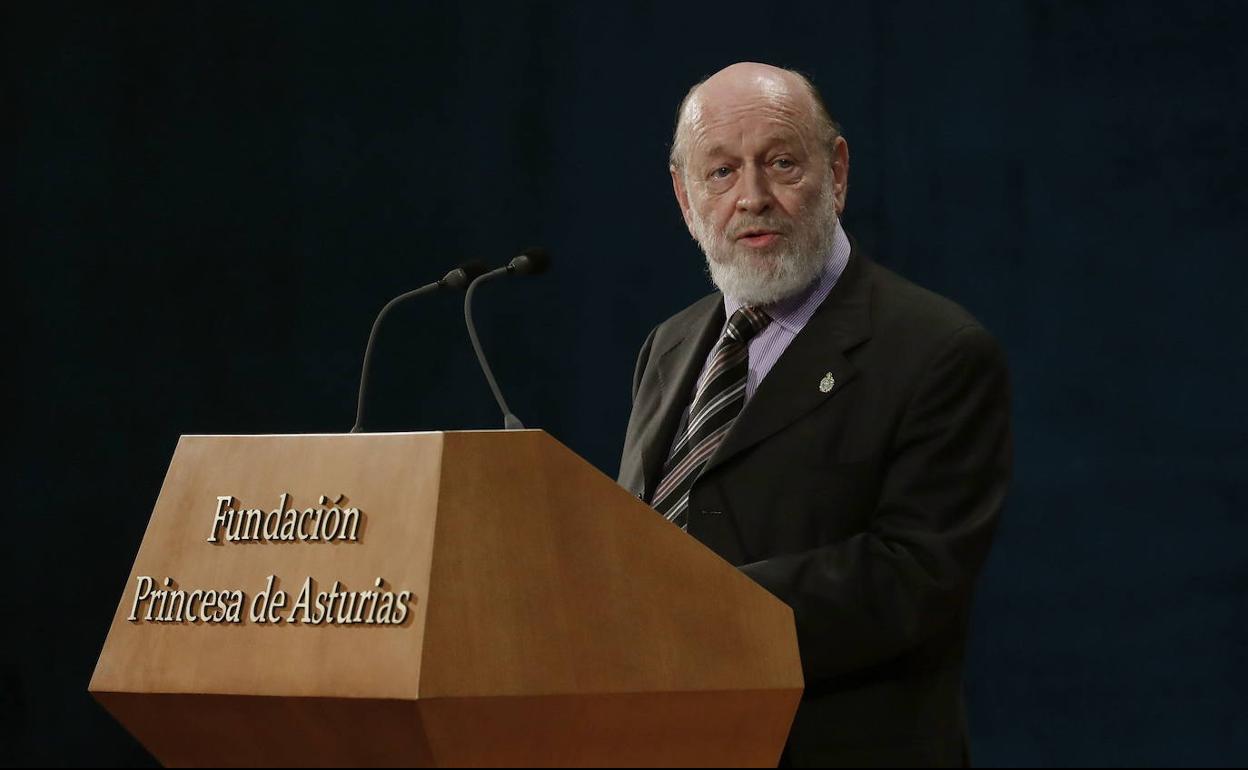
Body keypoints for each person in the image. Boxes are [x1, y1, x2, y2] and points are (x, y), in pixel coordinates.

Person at [617, 62, 1012, 767]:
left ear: (836, 172)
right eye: (721, 172)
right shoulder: (669, 345)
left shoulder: (938, 351)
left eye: (781, 163)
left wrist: (690, 609)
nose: (752, 198)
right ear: (684, 197)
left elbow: (912, 578)